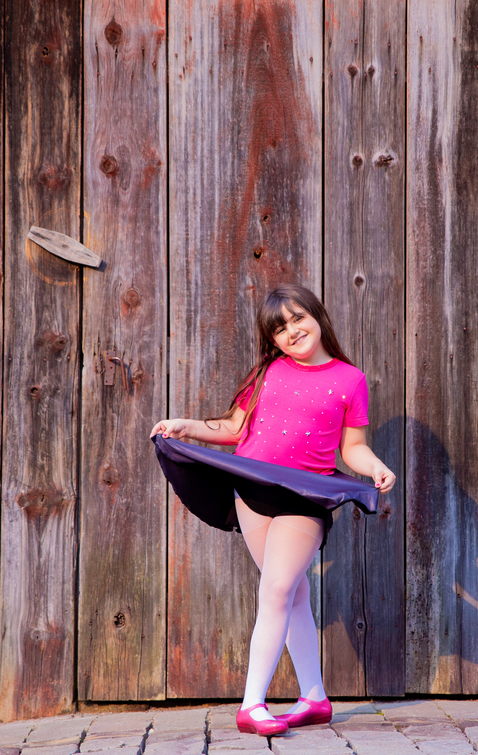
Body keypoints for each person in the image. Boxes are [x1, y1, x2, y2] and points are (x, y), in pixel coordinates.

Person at [151, 284, 395, 735]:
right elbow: (234, 427)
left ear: (316, 316)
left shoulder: (349, 379)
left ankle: (251, 705)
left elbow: (353, 447)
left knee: (277, 589)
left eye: (298, 318)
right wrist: (185, 425)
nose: (292, 331)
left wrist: (375, 466)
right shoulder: (266, 372)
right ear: (273, 340)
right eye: (280, 329)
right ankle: (315, 698)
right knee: (293, 593)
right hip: (251, 491)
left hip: (305, 496)